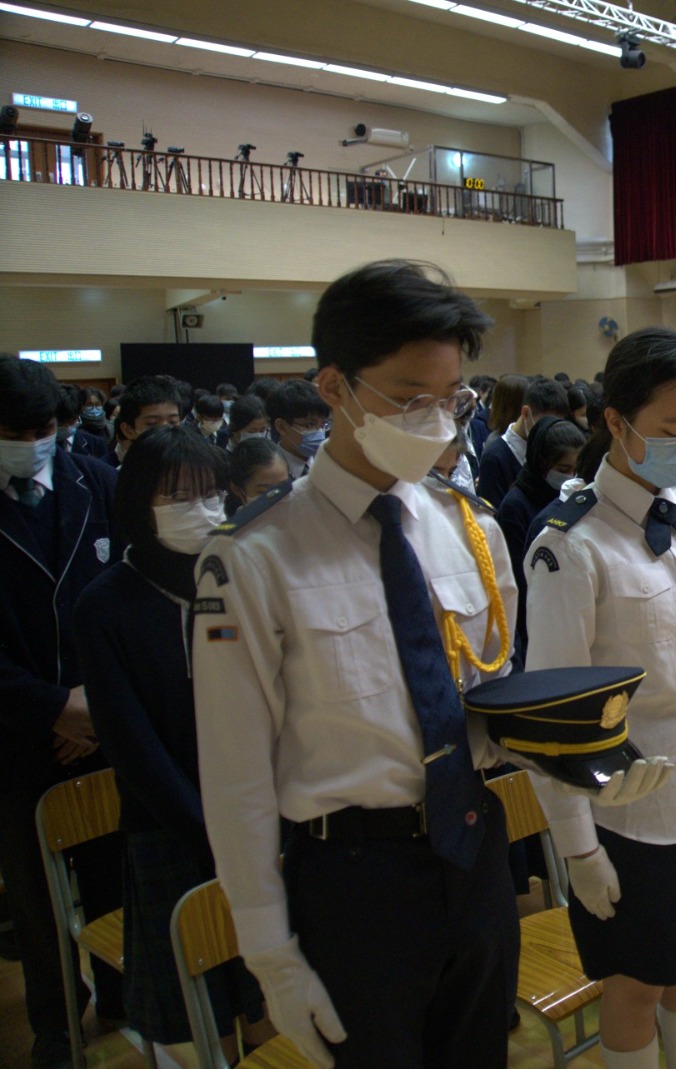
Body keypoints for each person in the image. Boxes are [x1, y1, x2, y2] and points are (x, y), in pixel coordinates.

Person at [194, 261, 556, 1069]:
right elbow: (235, 772)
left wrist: (579, 754)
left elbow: (489, 701)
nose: (435, 421)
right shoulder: (254, 556)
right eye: (407, 397)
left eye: (451, 398)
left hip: (475, 849)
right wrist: (269, 952)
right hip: (355, 876)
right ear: (334, 386)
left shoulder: (469, 527)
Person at [520, 327, 676, 1069]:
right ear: (616, 421)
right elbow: (553, 718)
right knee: (634, 985)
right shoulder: (571, 545)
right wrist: (578, 849)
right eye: (671, 427)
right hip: (633, 815)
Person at [72, 426, 268, 1056]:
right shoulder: (105, 605)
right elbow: (131, 746)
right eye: (179, 496)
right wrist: (210, 832)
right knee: (202, 1009)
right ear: (139, 502)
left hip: (259, 815)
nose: (200, 510)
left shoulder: (234, 579)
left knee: (269, 991)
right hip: (170, 826)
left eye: (210, 494)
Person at [0, 353, 124, 1069]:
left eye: (42, 429)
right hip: (18, 735)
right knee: (35, 896)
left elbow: (134, 605)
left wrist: (94, 706)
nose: (32, 442)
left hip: (103, 729)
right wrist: (52, 707)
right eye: (14, 433)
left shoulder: (97, 483)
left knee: (113, 874)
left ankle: (121, 992)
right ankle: (55, 1021)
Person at [494, 415, 587, 671]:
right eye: (563, 469)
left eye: (575, 470)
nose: (570, 477)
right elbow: (517, 581)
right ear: (541, 462)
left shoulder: (571, 496)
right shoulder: (516, 506)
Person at [477, 378, 571, 505]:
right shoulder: (494, 457)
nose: (550, 432)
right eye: (544, 423)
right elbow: (490, 511)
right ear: (526, 413)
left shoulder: (548, 449)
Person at [265, 378, 331, 480]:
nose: (319, 432)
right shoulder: (266, 470)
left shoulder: (330, 465)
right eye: (310, 424)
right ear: (281, 427)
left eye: (323, 425)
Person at [112, 376, 184, 466]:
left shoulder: (194, 469)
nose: (165, 430)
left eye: (173, 421)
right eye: (152, 423)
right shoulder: (121, 474)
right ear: (128, 430)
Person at [225, 436, 291, 515]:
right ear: (238, 490)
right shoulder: (238, 523)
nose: (278, 499)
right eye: (264, 492)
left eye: (284, 488)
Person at [56, 385, 111, 462]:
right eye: (61, 422)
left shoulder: (96, 443)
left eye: (70, 420)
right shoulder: (45, 444)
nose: (65, 426)